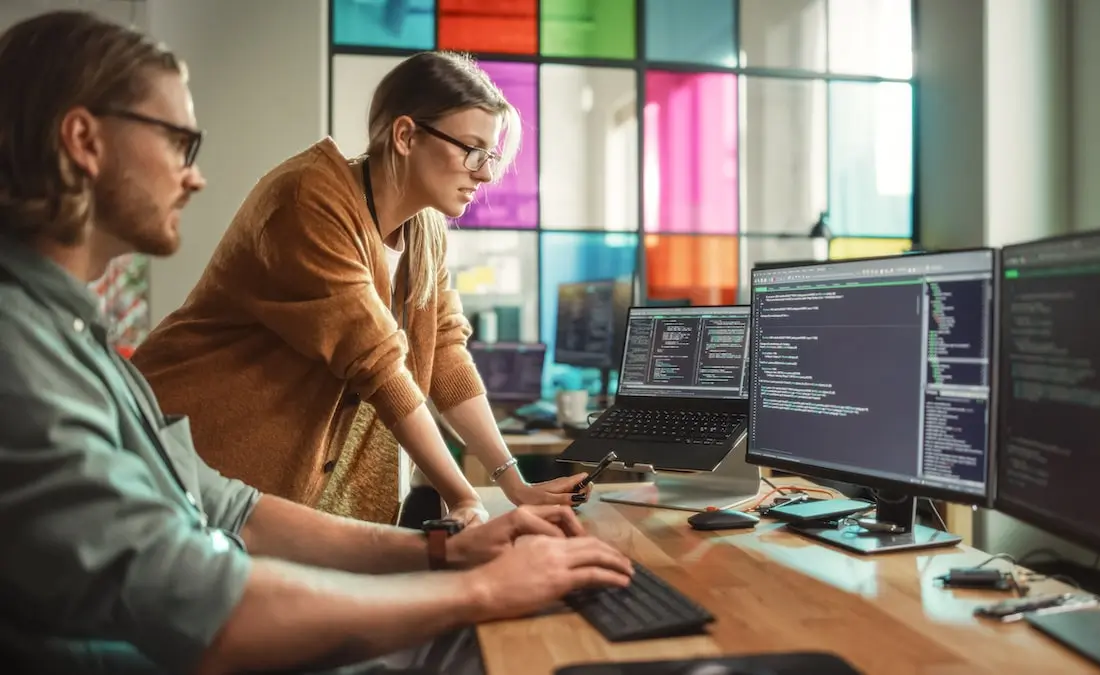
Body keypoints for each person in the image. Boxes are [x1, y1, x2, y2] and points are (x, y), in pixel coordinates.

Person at [0, 11, 632, 674]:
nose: (196, 177)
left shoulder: (74, 340)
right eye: (180, 143)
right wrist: (473, 565)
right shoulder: (25, 355)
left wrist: (456, 546)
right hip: (217, 534)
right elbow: (378, 365)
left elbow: (231, 508)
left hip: (225, 550)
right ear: (83, 139)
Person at [129, 49, 583, 526]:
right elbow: (378, 363)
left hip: (280, 497)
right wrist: (463, 496)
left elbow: (445, 349)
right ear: (406, 135)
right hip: (189, 456)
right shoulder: (309, 200)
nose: (486, 173)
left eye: (490, 156)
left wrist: (513, 483)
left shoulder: (424, 229)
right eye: (472, 150)